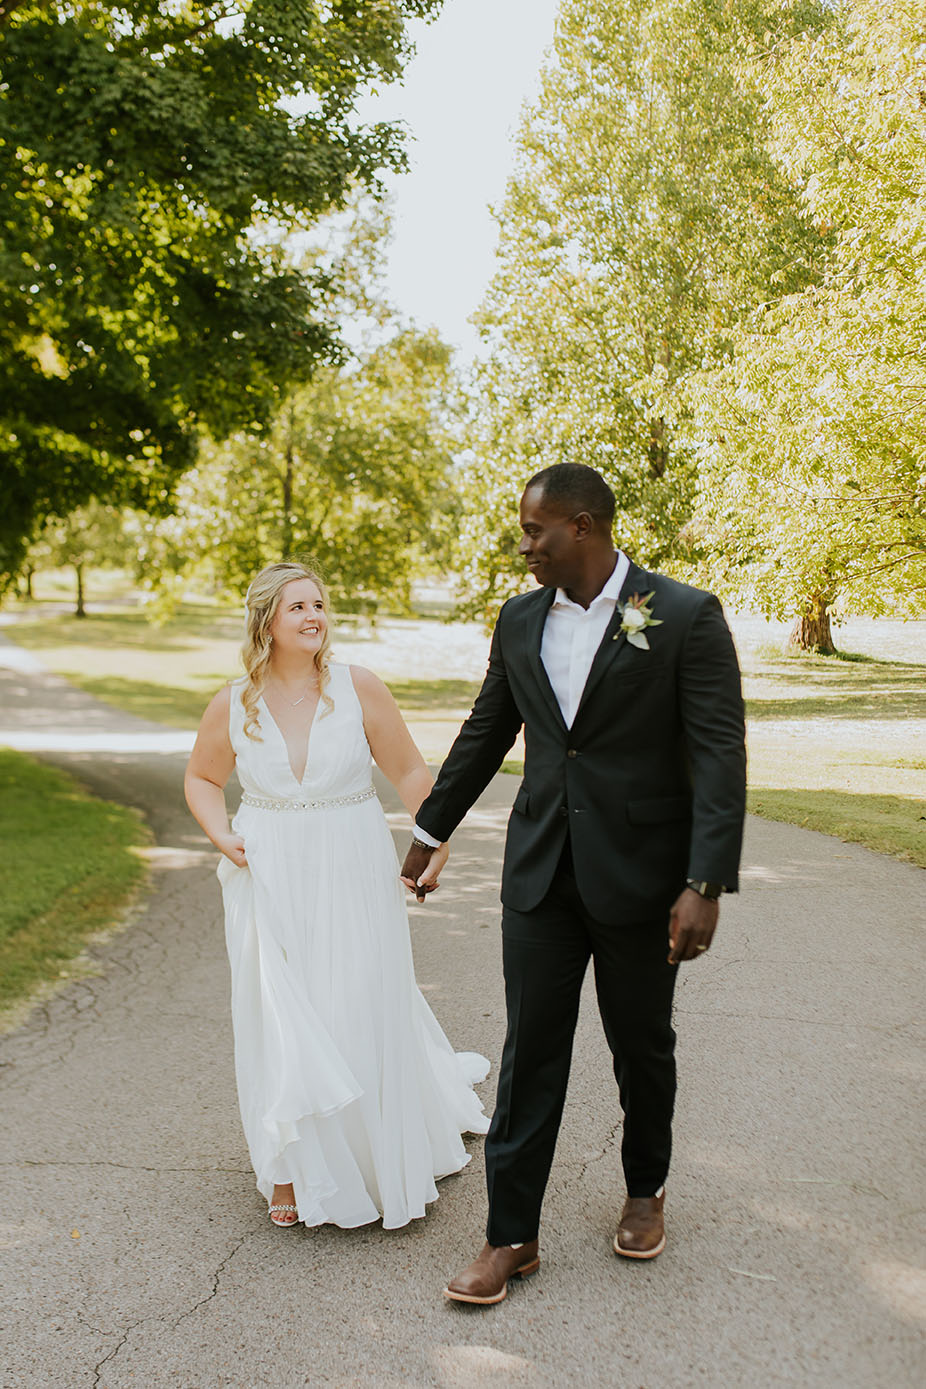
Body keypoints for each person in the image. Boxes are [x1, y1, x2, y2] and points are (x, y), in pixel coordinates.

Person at [400, 463, 747, 1303]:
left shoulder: (683, 616)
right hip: (542, 872)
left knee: (641, 1045)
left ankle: (644, 1188)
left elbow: (717, 753)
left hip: (641, 878)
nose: (525, 545)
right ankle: (509, 1236)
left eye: (535, 530)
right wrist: (428, 828)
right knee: (530, 1054)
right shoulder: (519, 621)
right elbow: (487, 727)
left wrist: (705, 880)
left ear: (583, 526)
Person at [185, 561, 489, 1231]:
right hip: (268, 871)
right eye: (297, 605)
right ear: (266, 618)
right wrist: (221, 833)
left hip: (350, 862)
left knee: (354, 999)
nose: (313, 614)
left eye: (319, 602)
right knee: (281, 1014)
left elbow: (409, 768)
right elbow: (203, 778)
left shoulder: (359, 689)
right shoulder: (233, 702)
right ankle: (289, 1165)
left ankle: (376, 1156)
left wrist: (435, 839)